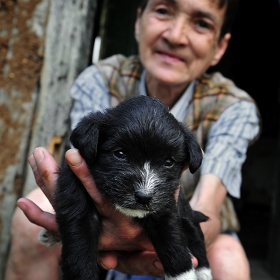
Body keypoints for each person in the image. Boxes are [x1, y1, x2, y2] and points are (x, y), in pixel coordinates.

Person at [5, 0, 260, 279]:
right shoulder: (102, 79)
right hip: (103, 210)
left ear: (220, 47)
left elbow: (206, 204)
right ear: (138, 22)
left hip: (177, 224)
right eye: (163, 11)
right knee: (30, 223)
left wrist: (160, 241)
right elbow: (82, 164)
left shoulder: (235, 107)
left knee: (228, 261)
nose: (175, 36)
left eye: (201, 23)